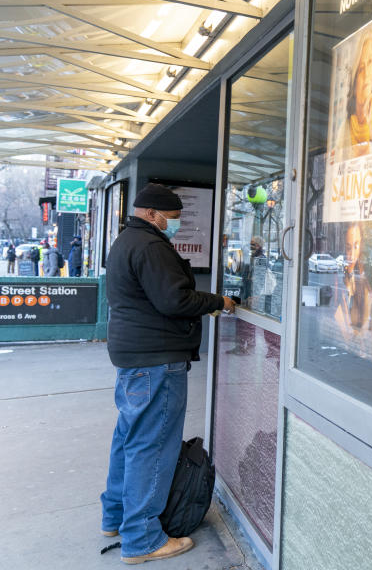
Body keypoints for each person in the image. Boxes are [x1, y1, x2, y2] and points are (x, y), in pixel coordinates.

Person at [101, 183, 235, 564]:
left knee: (129, 439)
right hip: (155, 360)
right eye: (173, 218)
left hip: (134, 358)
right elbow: (175, 300)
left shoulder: (127, 240)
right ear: (152, 214)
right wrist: (218, 302)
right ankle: (142, 538)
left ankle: (115, 517)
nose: (175, 224)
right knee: (152, 445)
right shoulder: (151, 246)